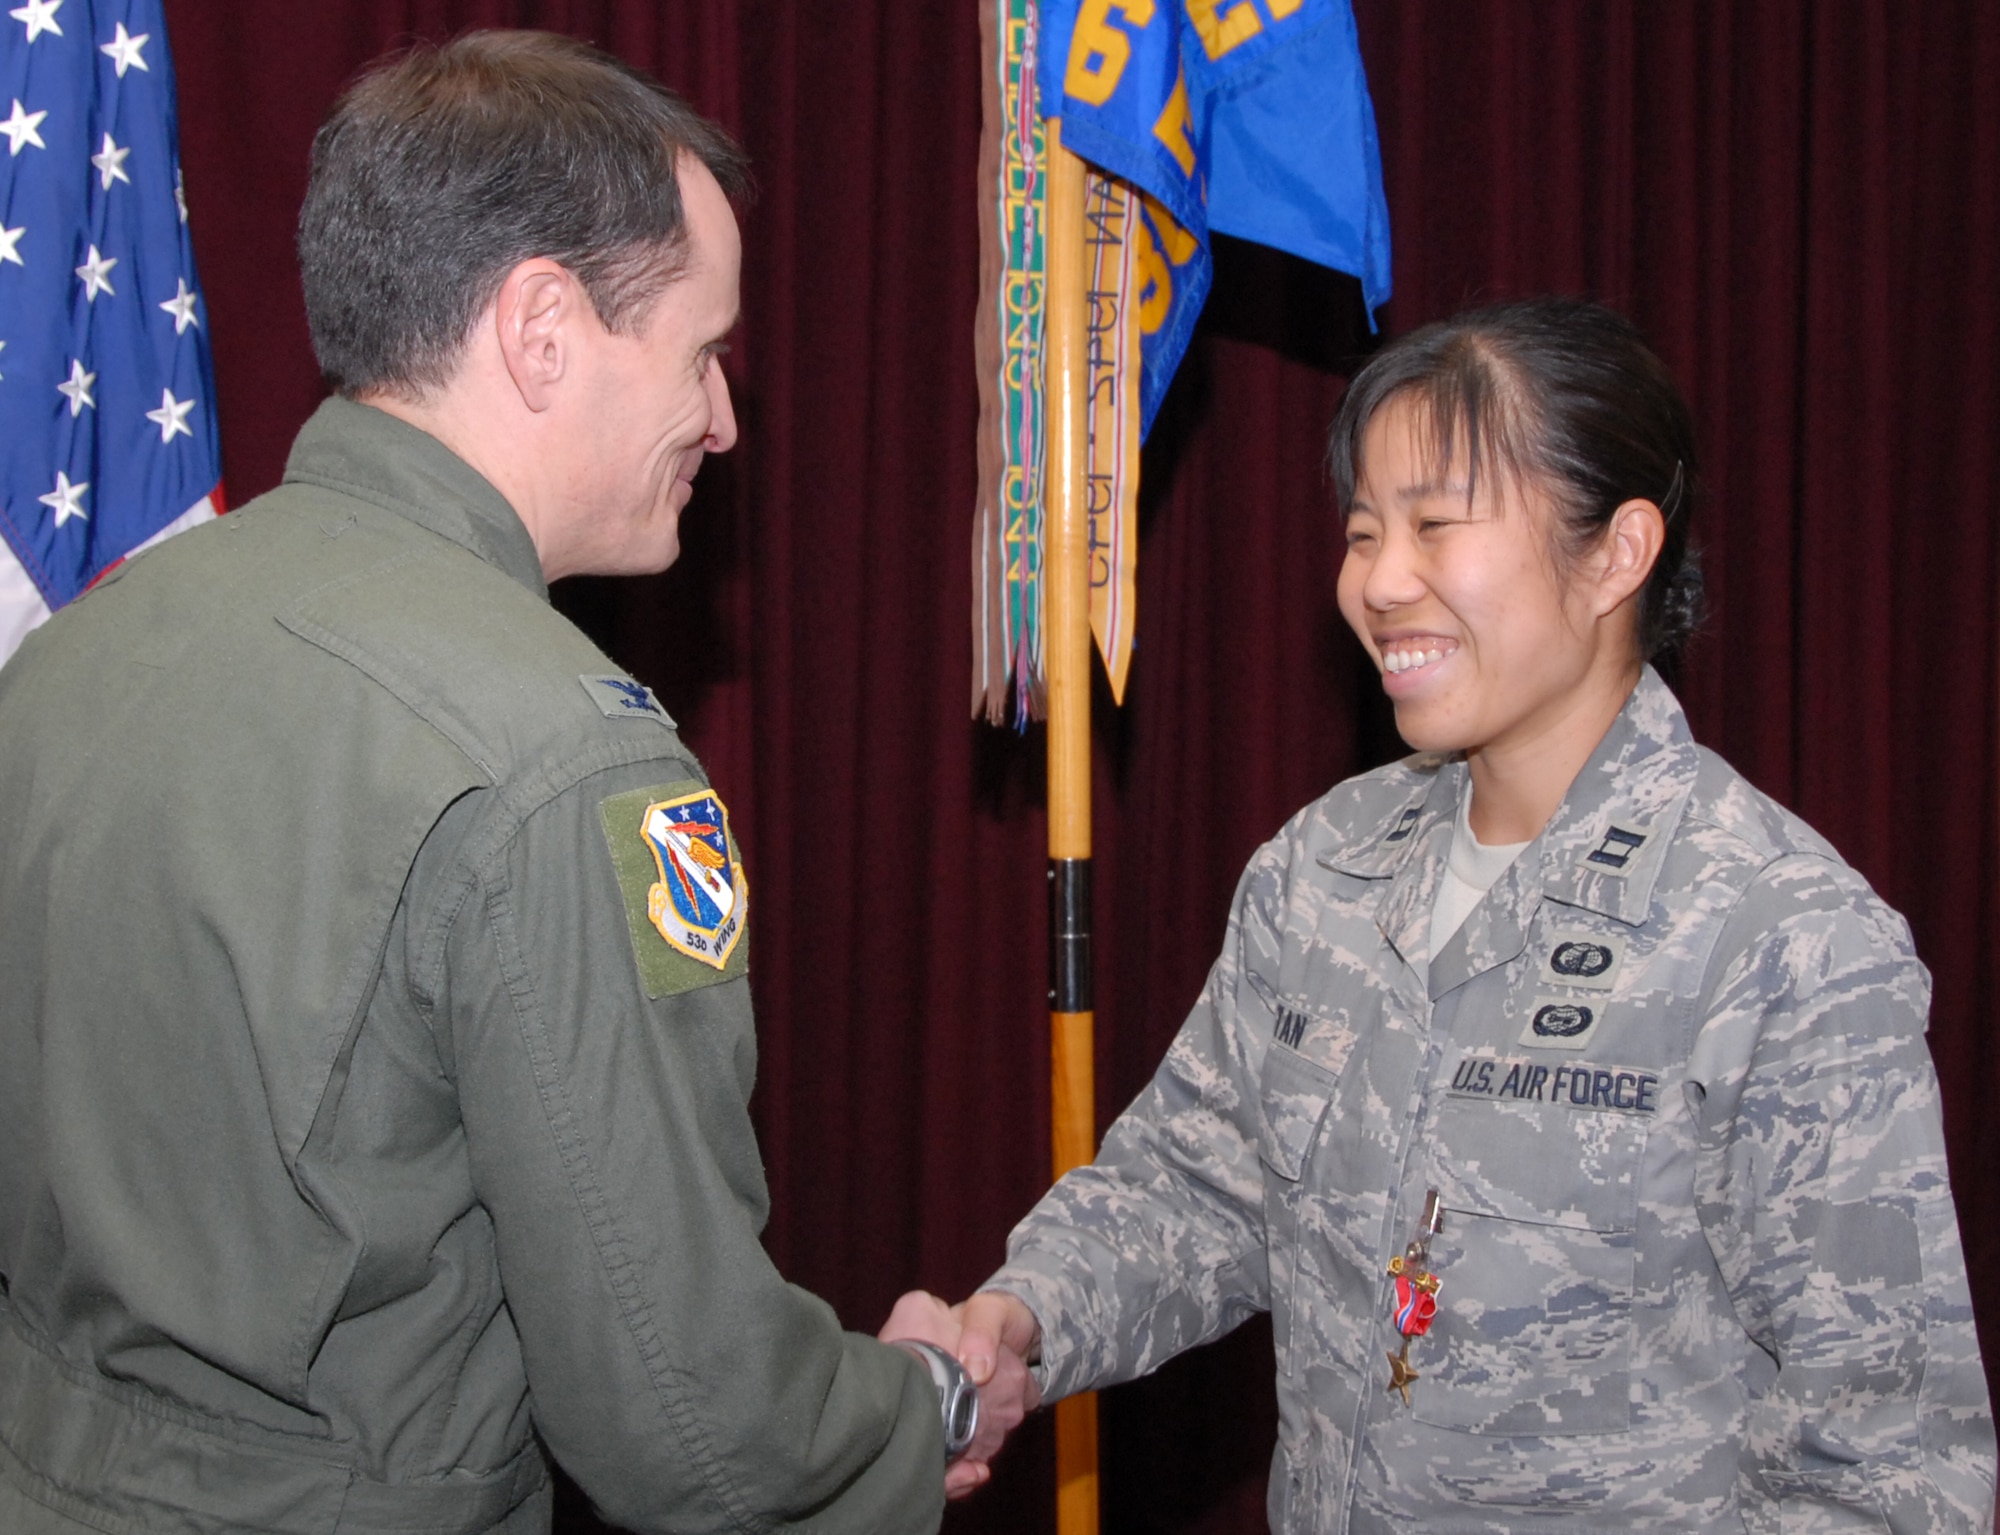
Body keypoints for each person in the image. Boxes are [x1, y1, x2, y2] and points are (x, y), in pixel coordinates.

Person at [0, 31, 1026, 1535]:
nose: (726, 422)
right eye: (705, 354)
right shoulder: (564, 762)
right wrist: (916, 1401)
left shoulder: (78, 651)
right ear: (543, 327)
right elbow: (693, 1424)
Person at [894, 297, 1996, 1530]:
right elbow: (1197, 1188)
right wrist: (1019, 1315)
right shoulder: (1320, 868)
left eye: (1433, 525)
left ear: (1616, 553)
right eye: (1363, 531)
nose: (1376, 581)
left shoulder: (1779, 937)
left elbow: (1893, 1476)